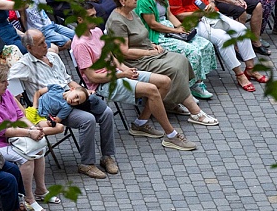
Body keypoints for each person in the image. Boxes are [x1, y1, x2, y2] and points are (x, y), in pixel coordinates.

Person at [71, 8, 196, 150]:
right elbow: (93, 77)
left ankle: (140, 123)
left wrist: (124, 69)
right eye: (91, 16)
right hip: (104, 83)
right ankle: (171, 135)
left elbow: (110, 56)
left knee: (165, 82)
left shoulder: (97, 32)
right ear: (80, 20)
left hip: (118, 72)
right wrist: (122, 74)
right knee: (152, 90)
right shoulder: (80, 44)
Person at [106, 0, 217, 125]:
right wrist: (149, 53)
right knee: (174, 69)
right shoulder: (117, 21)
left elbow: (140, 35)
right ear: (122, 0)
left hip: (148, 51)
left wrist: (152, 45)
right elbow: (124, 52)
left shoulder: (132, 13)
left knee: (182, 59)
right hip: (136, 60)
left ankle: (170, 103)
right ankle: (195, 112)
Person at [12, 29, 120, 178]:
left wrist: (83, 91)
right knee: (87, 119)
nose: (46, 45)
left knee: (106, 112)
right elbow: (7, 82)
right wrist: (24, 109)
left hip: (72, 95)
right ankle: (87, 164)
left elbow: (68, 80)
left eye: (45, 40)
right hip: (54, 107)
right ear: (29, 48)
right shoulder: (25, 64)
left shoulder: (53, 57)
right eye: (41, 43)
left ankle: (107, 156)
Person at [165, 0, 265, 92]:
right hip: (195, 22)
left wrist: (211, 4)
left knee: (241, 29)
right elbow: (176, 13)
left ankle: (250, 68)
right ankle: (239, 74)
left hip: (210, 14)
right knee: (223, 38)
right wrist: (198, 13)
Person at [0, 63, 61, 211]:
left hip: (13, 135)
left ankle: (41, 190)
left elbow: (19, 115)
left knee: (38, 147)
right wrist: (29, 133)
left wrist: (33, 128)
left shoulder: (3, 92)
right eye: (3, 81)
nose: (7, 84)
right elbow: (3, 131)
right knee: (26, 157)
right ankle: (28, 198)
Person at [134, 0, 219, 100]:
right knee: (192, 51)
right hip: (158, 34)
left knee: (205, 45)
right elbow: (152, 24)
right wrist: (174, 30)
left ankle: (197, 82)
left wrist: (181, 28)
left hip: (170, 28)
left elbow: (169, 14)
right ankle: (186, 89)